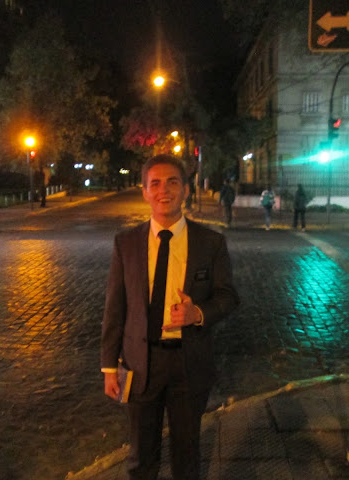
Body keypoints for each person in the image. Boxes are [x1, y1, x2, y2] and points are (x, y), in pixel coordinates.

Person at [101, 154, 239, 480]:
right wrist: (109, 366)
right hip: (140, 362)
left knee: (186, 454)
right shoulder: (126, 243)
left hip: (189, 362)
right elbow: (115, 307)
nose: (164, 190)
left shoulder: (210, 243)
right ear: (145, 192)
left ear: (186, 190)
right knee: (141, 456)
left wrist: (198, 313)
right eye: (156, 183)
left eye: (173, 182)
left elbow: (228, 296)